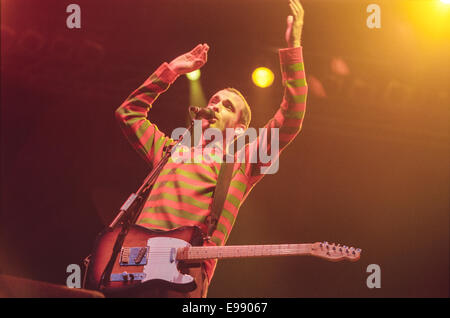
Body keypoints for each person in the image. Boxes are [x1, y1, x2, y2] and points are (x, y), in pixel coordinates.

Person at [115, 0, 307, 297]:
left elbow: (291, 117)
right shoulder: (168, 150)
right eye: (214, 100)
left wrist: (293, 46)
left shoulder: (242, 164)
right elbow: (128, 114)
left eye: (227, 106)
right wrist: (173, 70)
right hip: (130, 269)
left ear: (240, 129)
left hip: (181, 276)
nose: (215, 105)